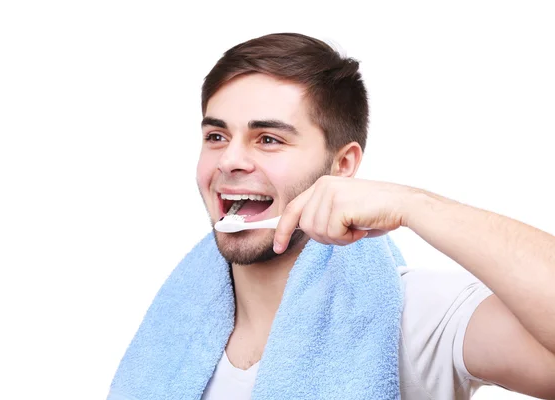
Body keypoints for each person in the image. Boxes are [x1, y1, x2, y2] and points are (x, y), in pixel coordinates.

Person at [109, 33, 555, 400]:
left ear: (342, 166)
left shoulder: (414, 315)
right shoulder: (173, 332)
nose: (230, 160)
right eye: (217, 135)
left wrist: (417, 205)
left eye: (268, 139)